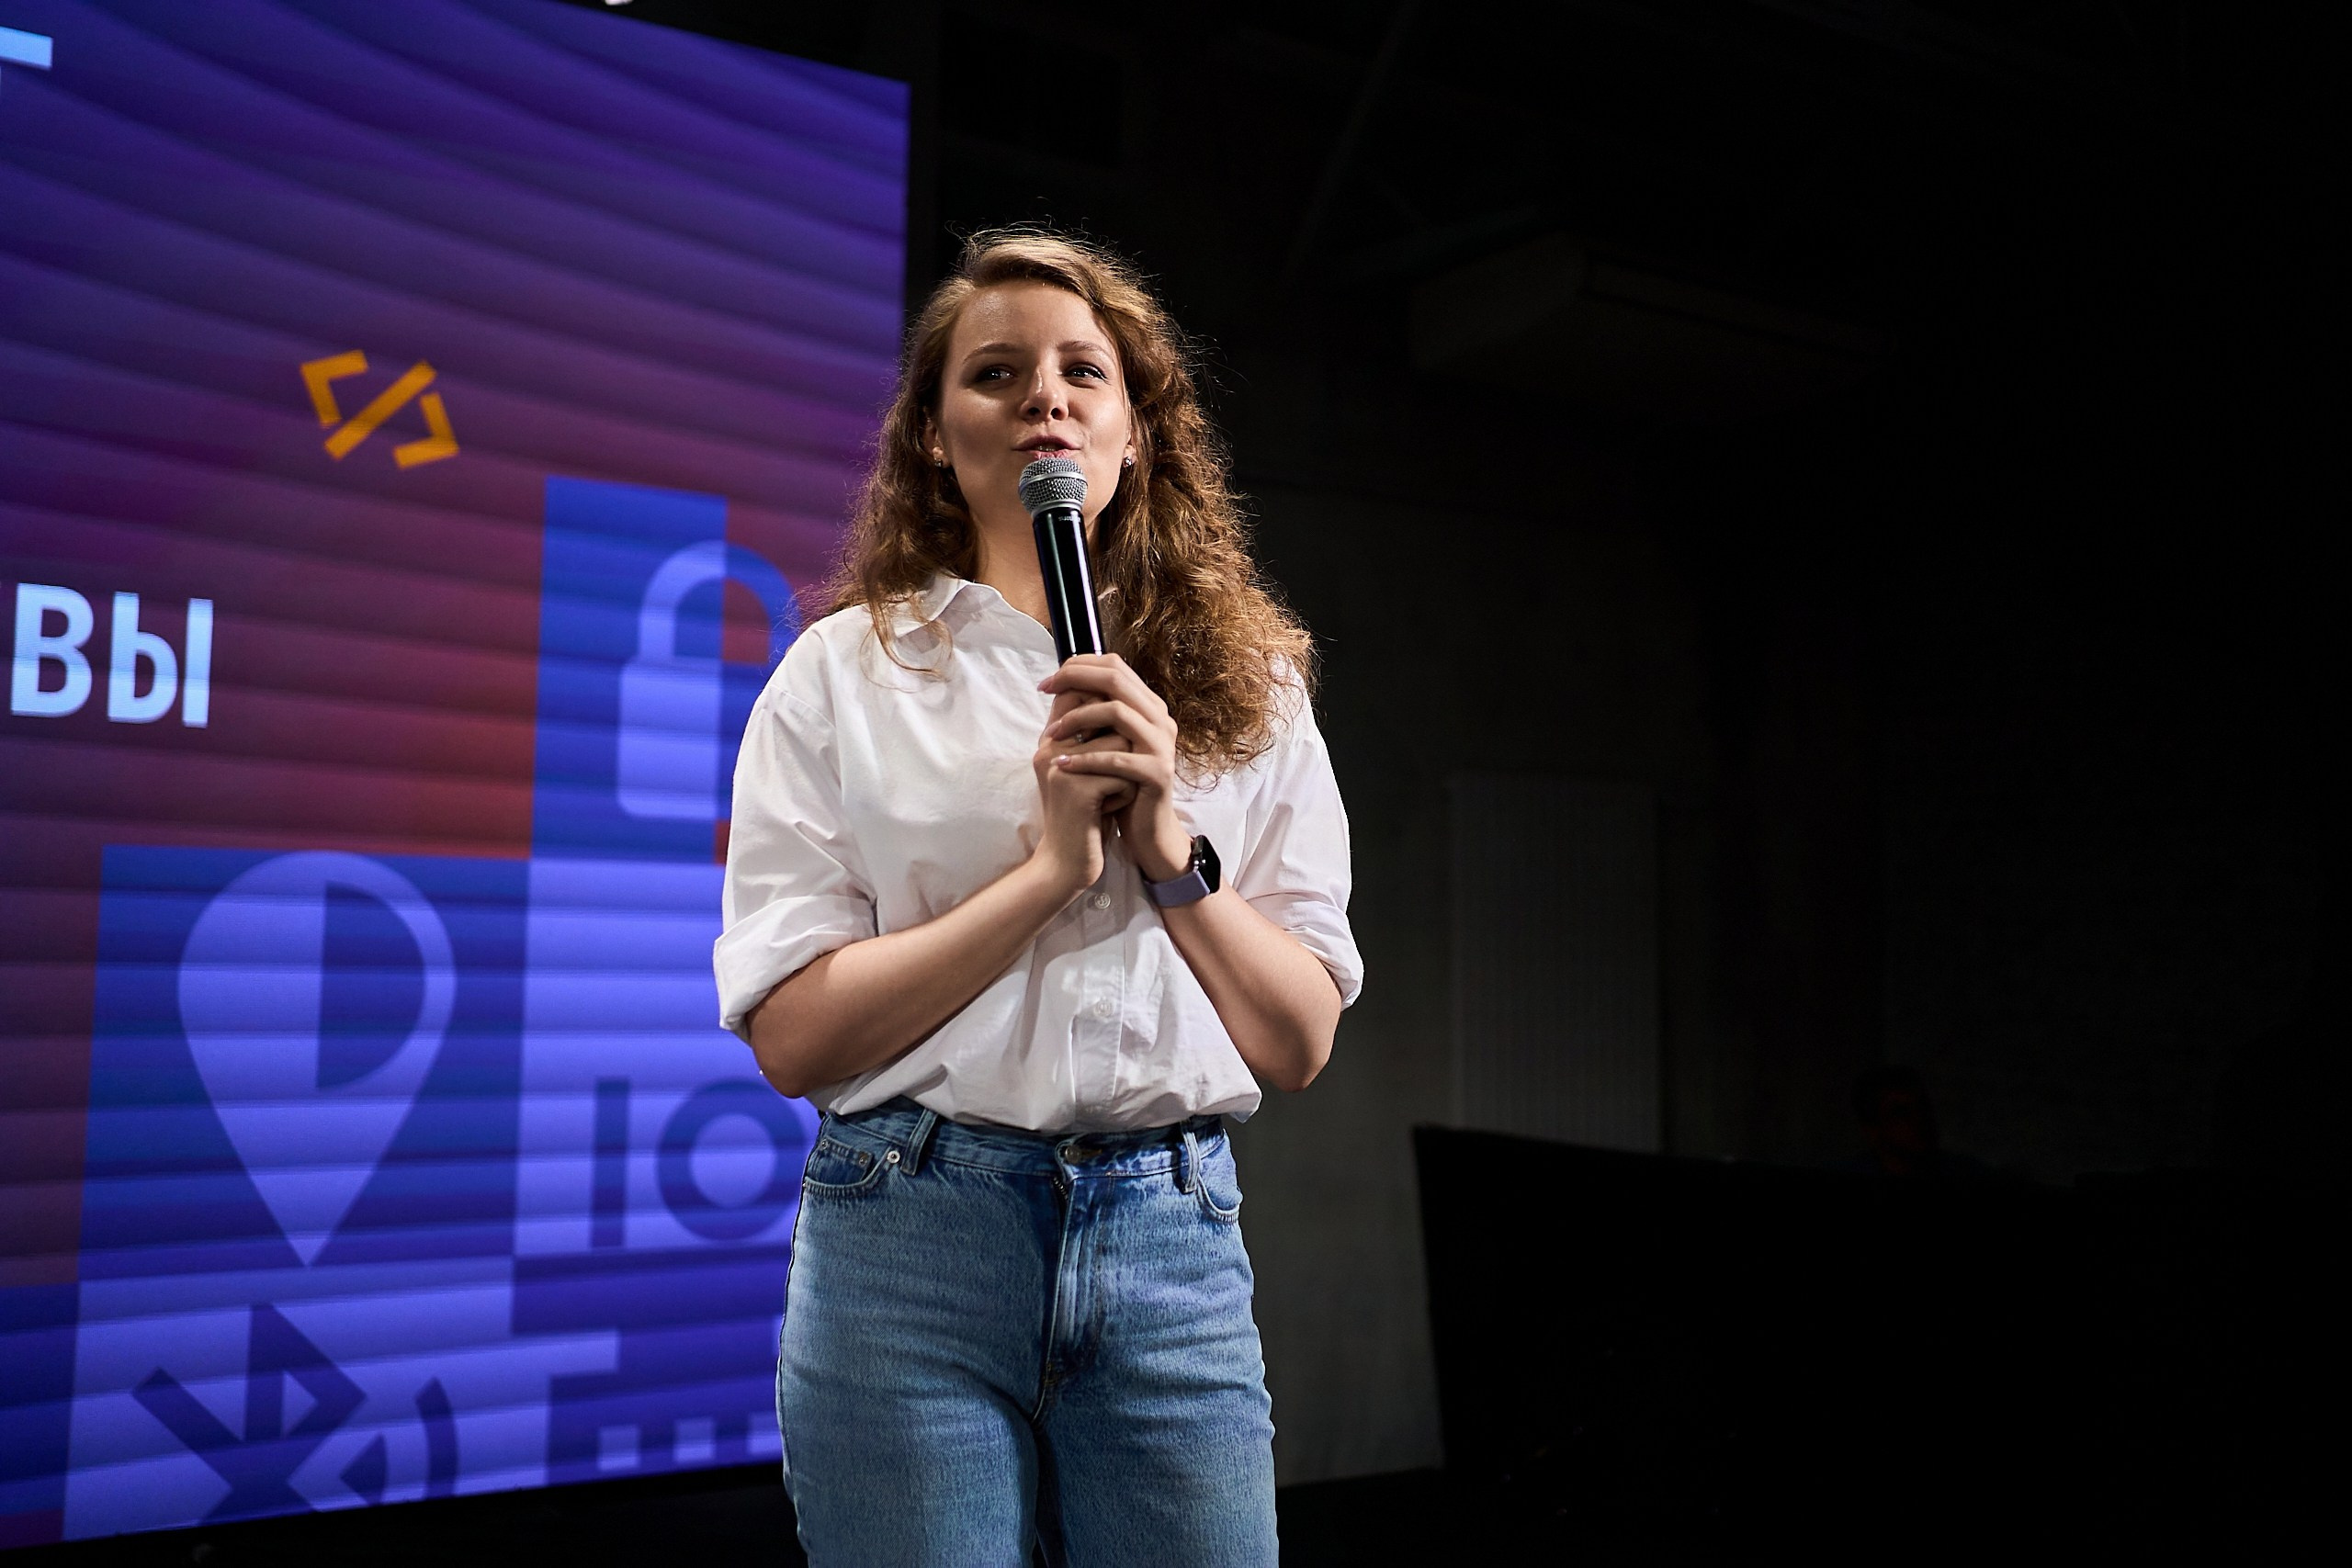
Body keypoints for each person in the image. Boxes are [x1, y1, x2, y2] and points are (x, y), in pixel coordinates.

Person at [715, 229, 1362, 1567]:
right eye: (995, 373)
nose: (1045, 397)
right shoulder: (839, 677)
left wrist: (1169, 851)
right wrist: (1048, 875)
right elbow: (790, 1038)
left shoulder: (1256, 687)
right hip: (912, 1249)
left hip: (1171, 1252)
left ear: (1136, 433)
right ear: (936, 440)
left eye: (1085, 370)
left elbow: (1297, 1042)